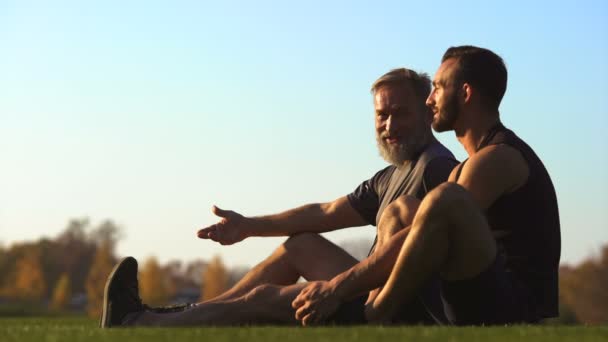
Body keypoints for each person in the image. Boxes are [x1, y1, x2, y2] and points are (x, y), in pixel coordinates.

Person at [100, 68, 458, 327]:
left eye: (401, 114)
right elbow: (325, 212)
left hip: (393, 302)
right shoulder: (392, 175)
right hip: (367, 286)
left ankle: (140, 325)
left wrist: (336, 289)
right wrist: (247, 227)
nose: (390, 126)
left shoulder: (437, 169)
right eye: (382, 115)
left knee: (261, 300)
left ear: (427, 113)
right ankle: (186, 314)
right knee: (299, 245)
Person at [294, 46, 561, 326]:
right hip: (468, 295)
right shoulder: (467, 166)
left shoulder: (500, 158)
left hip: (512, 311)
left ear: (465, 93)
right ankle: (374, 306)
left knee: (445, 199)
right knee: (401, 210)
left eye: (437, 88)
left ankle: (373, 315)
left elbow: (430, 224)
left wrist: (337, 287)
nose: (429, 100)